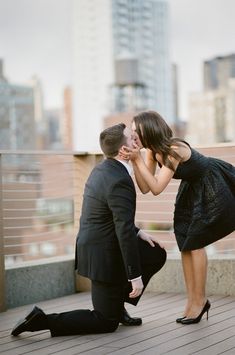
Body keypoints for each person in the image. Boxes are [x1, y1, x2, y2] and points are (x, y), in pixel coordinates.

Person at [11, 123, 166, 337]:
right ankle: (42, 320)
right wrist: (135, 276)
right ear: (123, 150)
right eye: (132, 138)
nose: (137, 141)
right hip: (103, 257)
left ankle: (117, 304)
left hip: (98, 247)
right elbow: (121, 229)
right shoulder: (119, 179)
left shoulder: (103, 168)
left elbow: (111, 218)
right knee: (104, 321)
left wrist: (138, 231)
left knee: (155, 252)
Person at [120, 110, 235, 325]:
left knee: (196, 243)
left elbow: (157, 188)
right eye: (132, 131)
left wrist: (137, 158)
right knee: (185, 243)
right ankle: (192, 302)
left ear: (149, 128)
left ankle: (200, 301)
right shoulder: (152, 151)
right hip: (191, 188)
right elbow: (145, 187)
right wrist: (136, 161)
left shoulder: (173, 149)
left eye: (136, 131)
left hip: (211, 184)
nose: (133, 135)